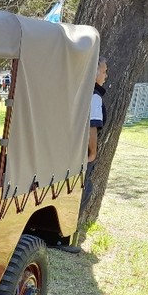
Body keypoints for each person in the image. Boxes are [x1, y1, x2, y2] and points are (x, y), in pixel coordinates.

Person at [58, 55, 107, 254]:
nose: (106, 75)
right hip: (81, 153)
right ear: (94, 72)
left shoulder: (75, 89)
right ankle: (65, 236)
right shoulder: (93, 96)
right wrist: (92, 153)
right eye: (104, 71)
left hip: (67, 149)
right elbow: (91, 127)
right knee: (82, 191)